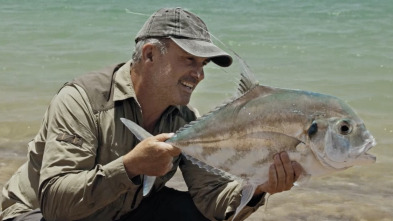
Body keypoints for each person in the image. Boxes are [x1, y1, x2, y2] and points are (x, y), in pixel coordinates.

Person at [1, 7, 302, 221]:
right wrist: (130, 167)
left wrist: (260, 187)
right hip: (33, 213)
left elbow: (212, 199)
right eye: (189, 60)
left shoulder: (185, 119)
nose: (199, 75)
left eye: (203, 65)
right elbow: (56, 205)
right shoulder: (81, 101)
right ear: (149, 55)